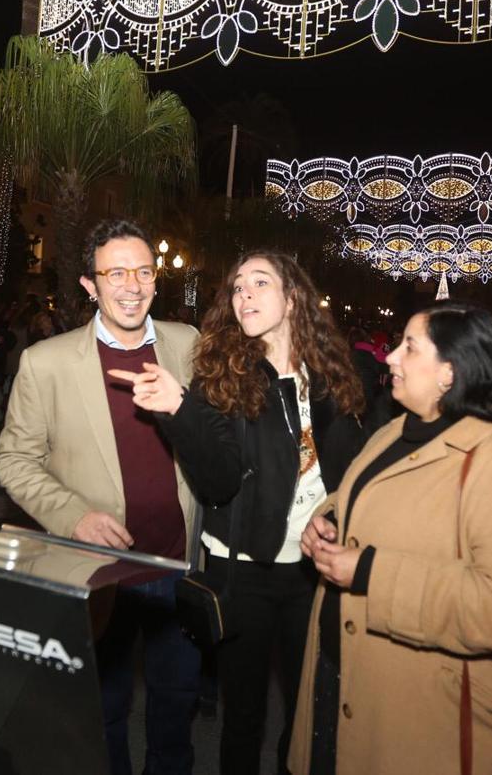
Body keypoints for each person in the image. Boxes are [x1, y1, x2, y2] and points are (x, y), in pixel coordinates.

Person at [288, 302, 492, 775]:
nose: (389, 357)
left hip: (438, 724)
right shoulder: (394, 432)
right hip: (352, 684)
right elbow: (363, 497)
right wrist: (325, 521)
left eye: (409, 347)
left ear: (451, 372)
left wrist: (369, 572)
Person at [114, 250, 366, 775]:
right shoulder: (222, 376)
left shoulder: (334, 376)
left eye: (259, 283)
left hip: (315, 570)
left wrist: (343, 521)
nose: (244, 295)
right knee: (243, 717)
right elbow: (218, 482)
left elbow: (355, 470)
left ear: (292, 296)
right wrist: (180, 411)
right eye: (237, 287)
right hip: (243, 570)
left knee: (307, 712)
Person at [0, 218, 201, 775]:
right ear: (90, 285)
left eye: (143, 271)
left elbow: (214, 440)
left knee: (175, 706)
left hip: (178, 567)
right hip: (97, 570)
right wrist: (72, 515)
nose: (131, 285)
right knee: (102, 711)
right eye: (116, 273)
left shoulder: (188, 345)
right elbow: (13, 460)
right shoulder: (48, 362)